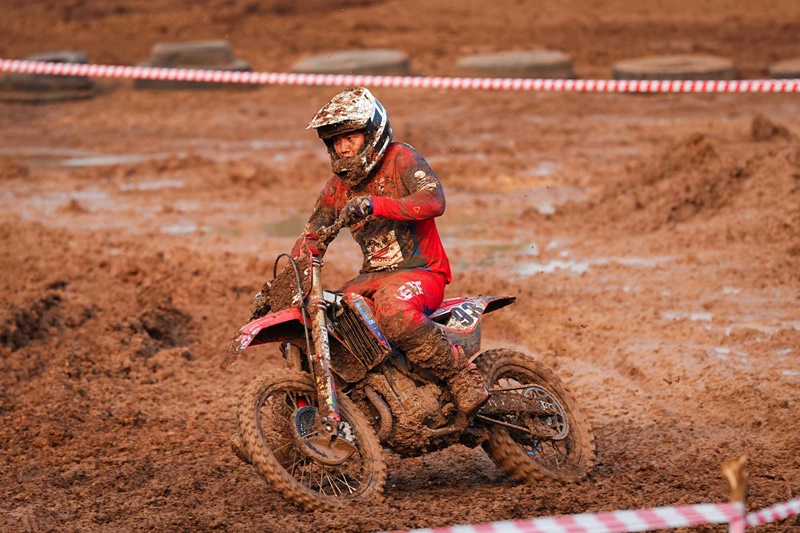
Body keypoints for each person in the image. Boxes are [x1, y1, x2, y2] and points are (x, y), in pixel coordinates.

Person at [291, 86, 487, 415]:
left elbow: (434, 201)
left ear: (372, 133)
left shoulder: (401, 159)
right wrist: (286, 282)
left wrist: (376, 204)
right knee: (330, 318)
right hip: (372, 277)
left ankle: (461, 375)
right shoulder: (337, 188)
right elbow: (311, 237)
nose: (343, 147)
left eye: (350, 137)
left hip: (422, 271)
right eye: (336, 141)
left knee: (393, 312)